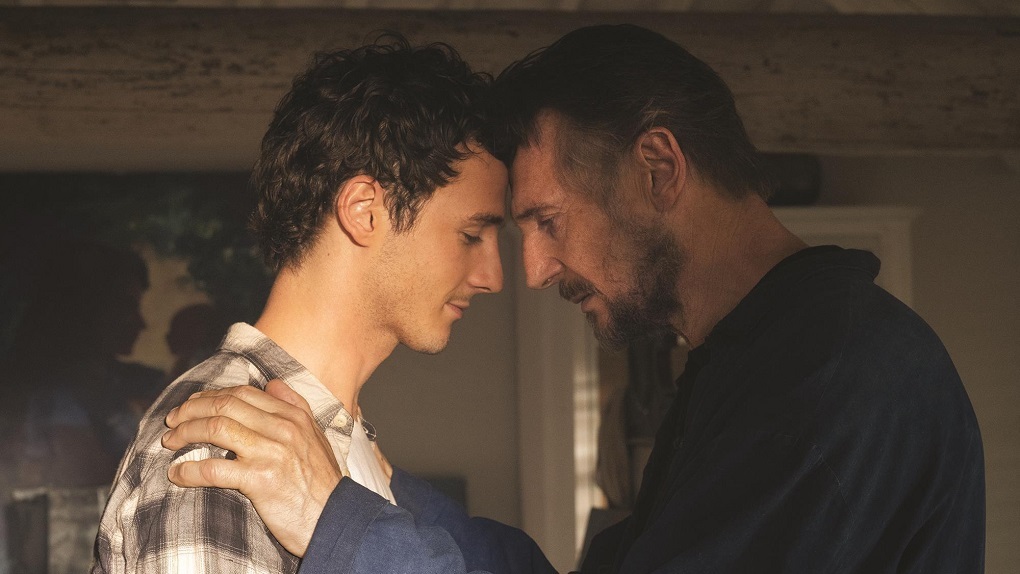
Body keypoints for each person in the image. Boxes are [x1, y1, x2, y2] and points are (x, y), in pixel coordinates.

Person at [161, 24, 985, 573]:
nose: (530, 271)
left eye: (547, 222)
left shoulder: (833, 377)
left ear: (657, 168)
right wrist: (378, 486)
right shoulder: (751, 360)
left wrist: (342, 523)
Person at [91, 36, 518, 574]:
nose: (493, 278)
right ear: (364, 211)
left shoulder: (321, 456)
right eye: (471, 235)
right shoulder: (225, 452)